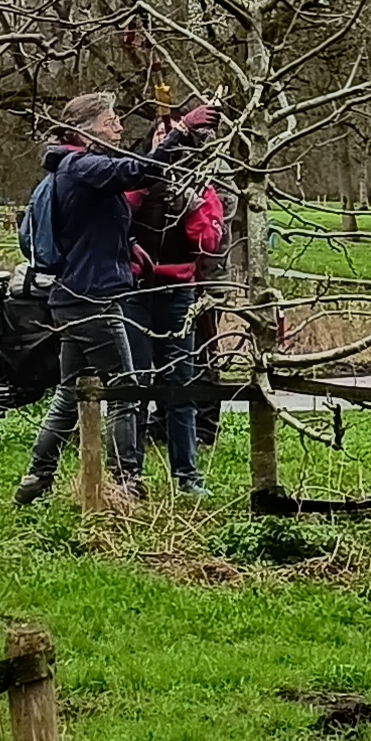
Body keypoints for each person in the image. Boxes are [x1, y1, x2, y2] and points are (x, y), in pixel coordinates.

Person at [12, 92, 168, 506]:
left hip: (72, 296)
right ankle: (126, 482)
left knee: (70, 393)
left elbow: (89, 226)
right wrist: (182, 134)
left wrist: (126, 246)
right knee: (124, 389)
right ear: (86, 130)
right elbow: (137, 172)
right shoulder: (81, 168)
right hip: (92, 298)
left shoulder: (76, 170)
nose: (119, 127)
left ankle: (37, 477)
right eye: (110, 121)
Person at [127, 103, 229, 498]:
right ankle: (129, 476)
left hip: (178, 293)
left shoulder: (202, 189)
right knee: (135, 384)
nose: (166, 140)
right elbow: (115, 221)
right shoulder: (134, 178)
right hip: (136, 291)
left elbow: (210, 242)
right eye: (160, 134)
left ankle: (187, 476)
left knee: (180, 385)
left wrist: (191, 206)